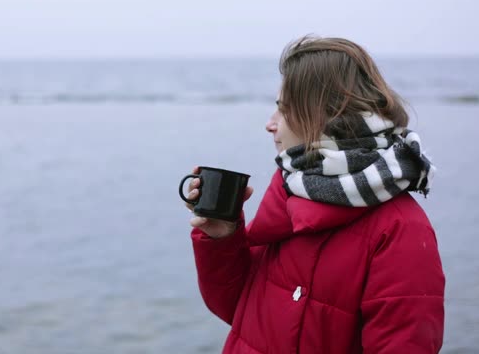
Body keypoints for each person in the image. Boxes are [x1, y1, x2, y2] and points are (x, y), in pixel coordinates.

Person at [183, 35, 445, 353]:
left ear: (326, 115)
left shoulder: (400, 229)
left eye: (284, 110)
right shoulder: (290, 194)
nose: (270, 124)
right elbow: (242, 312)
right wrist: (223, 239)